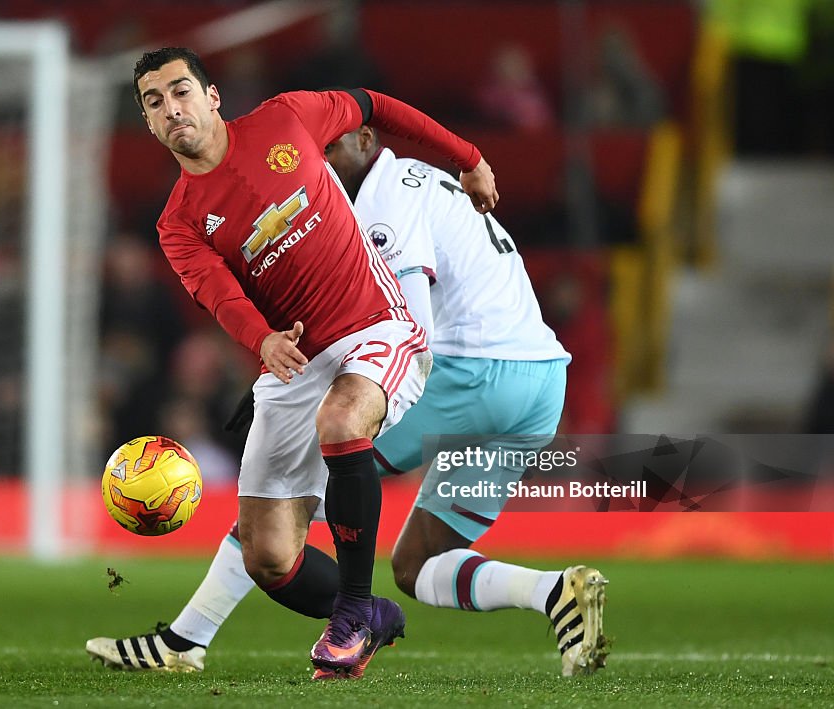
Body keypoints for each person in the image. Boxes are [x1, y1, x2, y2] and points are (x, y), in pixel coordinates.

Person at [87, 125, 609, 678]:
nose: (319, 155)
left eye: (328, 144)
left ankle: (186, 640)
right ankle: (555, 593)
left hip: (471, 372)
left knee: (289, 480)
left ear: (364, 139)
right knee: (417, 565)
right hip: (539, 383)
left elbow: (406, 330)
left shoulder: (385, 199)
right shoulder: (419, 181)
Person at [102, 48, 498, 679]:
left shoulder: (286, 120)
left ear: (212, 97)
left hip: (378, 329)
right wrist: (261, 340)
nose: (171, 108)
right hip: (293, 361)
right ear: (148, 123)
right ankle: (371, 614)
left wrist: (468, 156)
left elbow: (375, 106)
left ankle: (350, 618)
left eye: (180, 91)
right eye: (154, 102)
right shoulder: (178, 222)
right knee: (267, 554)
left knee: (343, 422)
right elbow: (219, 294)